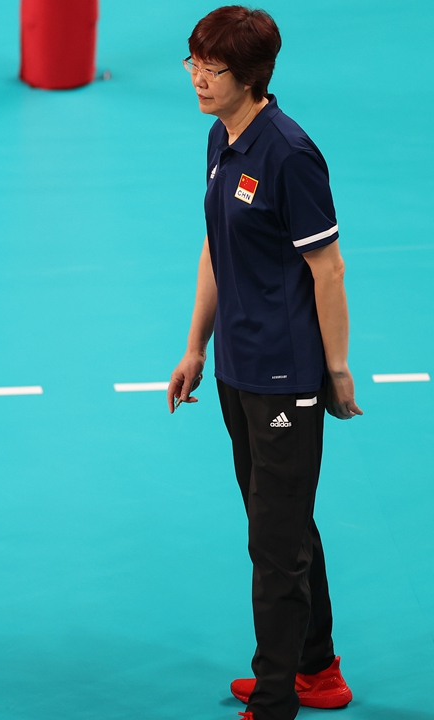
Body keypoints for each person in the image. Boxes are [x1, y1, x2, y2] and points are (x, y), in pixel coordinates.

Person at [168, 7, 358, 720]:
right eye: (192, 60)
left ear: (251, 76)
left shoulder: (289, 153)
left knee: (273, 547)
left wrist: (334, 368)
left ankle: (277, 700)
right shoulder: (223, 139)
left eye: (211, 67)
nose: (197, 77)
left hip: (286, 375)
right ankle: (317, 668)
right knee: (280, 522)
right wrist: (196, 345)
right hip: (236, 371)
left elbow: (328, 269)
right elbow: (217, 243)